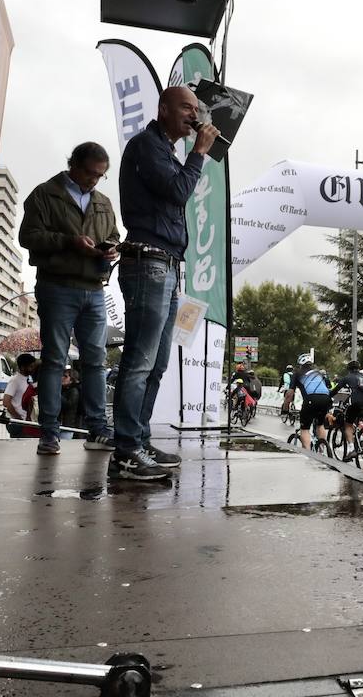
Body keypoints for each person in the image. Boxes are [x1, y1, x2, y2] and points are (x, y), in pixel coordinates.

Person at [108, 86, 219, 479]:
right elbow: (177, 190)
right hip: (148, 261)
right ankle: (124, 450)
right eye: (187, 108)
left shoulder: (166, 150)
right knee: (139, 360)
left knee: (156, 362)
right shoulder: (146, 146)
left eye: (196, 109)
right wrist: (200, 153)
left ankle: (137, 439)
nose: (194, 115)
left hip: (167, 264)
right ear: (164, 109)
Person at [18, 142, 121, 455]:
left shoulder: (103, 201)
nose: (94, 180)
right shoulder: (44, 194)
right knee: (53, 360)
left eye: (100, 176)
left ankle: (97, 432)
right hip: (57, 286)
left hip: (94, 288)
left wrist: (112, 248)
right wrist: (69, 242)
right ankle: (49, 433)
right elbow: (28, 236)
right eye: (90, 173)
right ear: (73, 165)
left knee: (95, 361)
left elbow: (114, 234)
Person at [328, 360, 363, 456]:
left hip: (357, 403)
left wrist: (329, 395)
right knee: (359, 420)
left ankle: (351, 448)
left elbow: (336, 389)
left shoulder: (347, 377)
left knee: (348, 424)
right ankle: (361, 438)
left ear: (349, 369)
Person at [292, 354, 333, 451]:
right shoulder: (319, 373)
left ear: (300, 364)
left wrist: (285, 408)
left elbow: (290, 393)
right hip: (325, 399)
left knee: (305, 428)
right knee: (320, 424)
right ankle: (322, 449)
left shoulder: (297, 373)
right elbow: (328, 385)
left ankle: (307, 453)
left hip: (311, 399)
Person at [3, 355, 41, 437]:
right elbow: (6, 401)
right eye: (31, 366)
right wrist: (18, 417)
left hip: (25, 421)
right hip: (17, 422)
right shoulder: (15, 380)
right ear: (23, 367)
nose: (33, 369)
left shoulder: (29, 379)